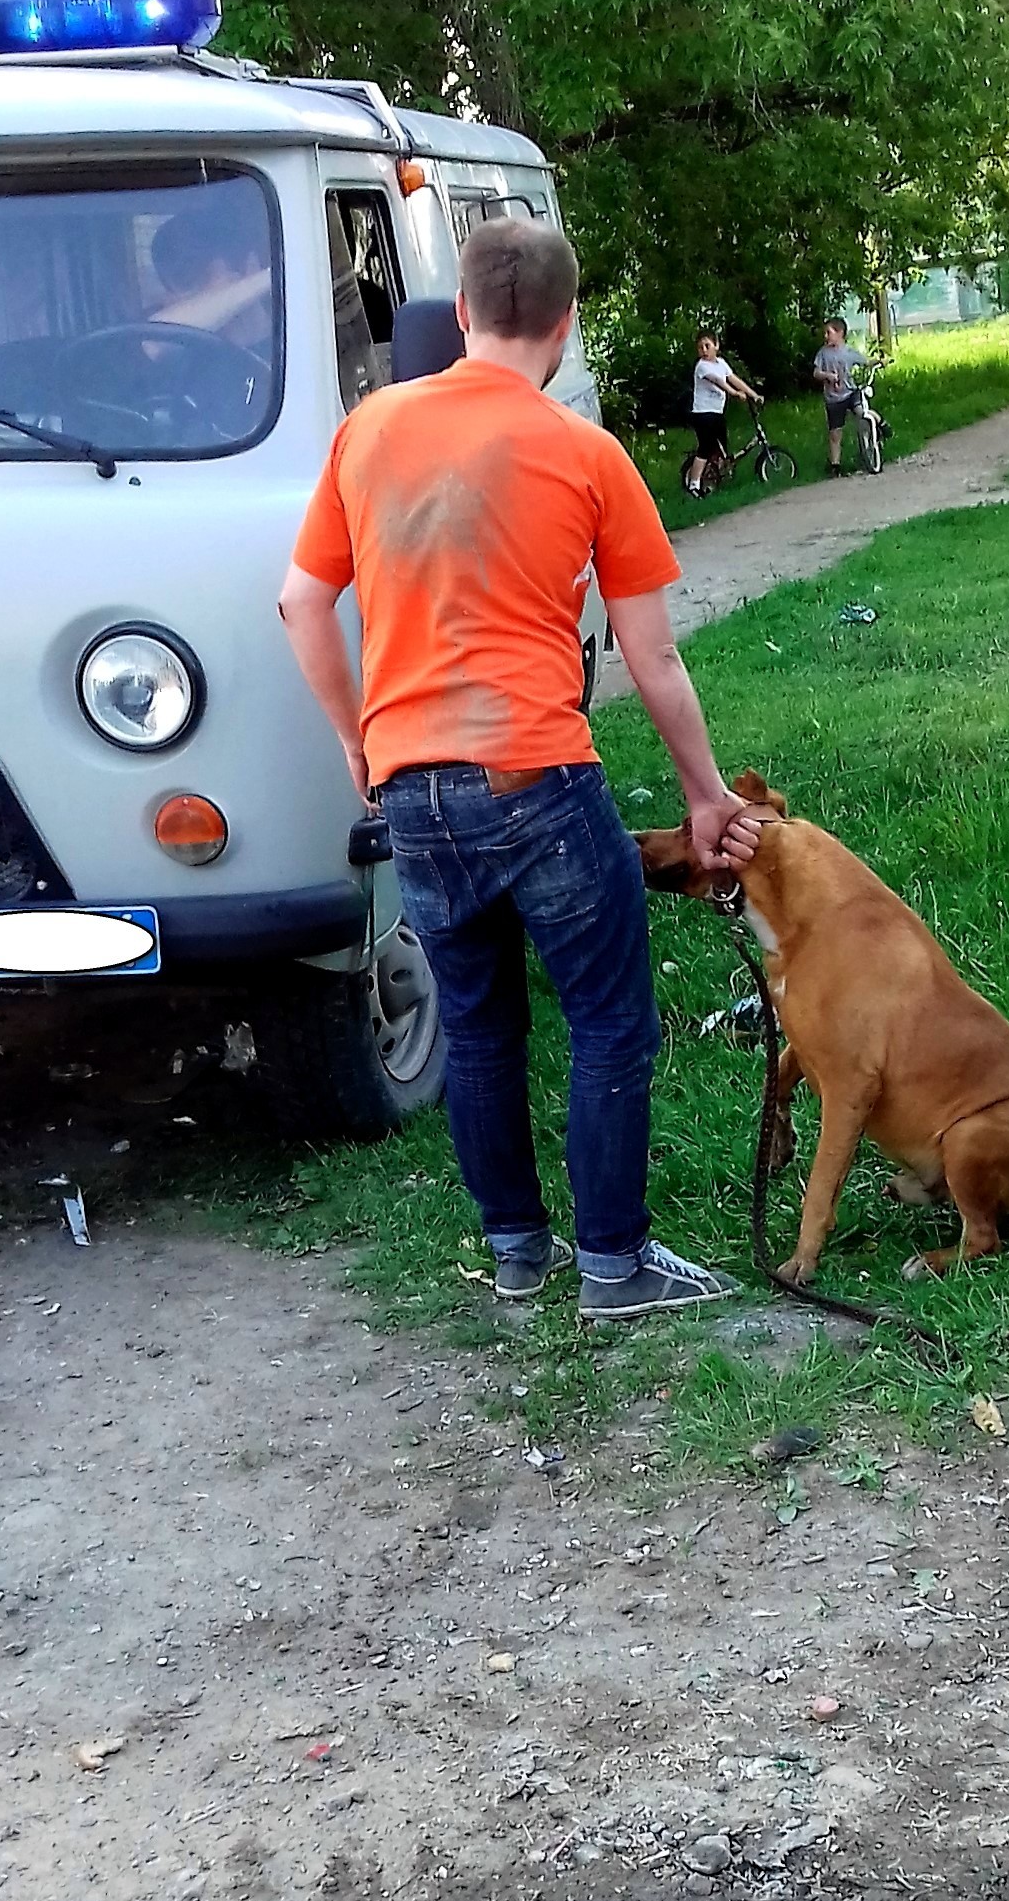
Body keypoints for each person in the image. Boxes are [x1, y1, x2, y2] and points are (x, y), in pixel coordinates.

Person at [279, 220, 762, 1322]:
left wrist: (361, 740)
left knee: (481, 1022)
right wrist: (705, 793)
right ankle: (614, 1263)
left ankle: (514, 1251)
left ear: (460, 317)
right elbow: (652, 654)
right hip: (537, 779)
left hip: (414, 787)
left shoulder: (367, 432)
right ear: (566, 323)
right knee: (608, 1022)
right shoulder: (586, 453)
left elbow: (302, 602)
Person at [149, 196, 273, 349]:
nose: (176, 301)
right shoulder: (180, 356)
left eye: (194, 278)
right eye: (180, 284)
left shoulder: (298, 335)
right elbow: (154, 339)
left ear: (248, 266)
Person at [686, 330, 761, 496]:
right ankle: (694, 485)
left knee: (721, 449)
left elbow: (734, 379)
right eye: (700, 347)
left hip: (717, 413)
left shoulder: (721, 363)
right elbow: (718, 381)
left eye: (707, 346)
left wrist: (753, 395)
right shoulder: (702, 366)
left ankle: (716, 477)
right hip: (703, 413)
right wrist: (734, 393)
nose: (704, 350)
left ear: (716, 346)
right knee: (705, 448)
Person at [814, 316, 864, 476]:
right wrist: (826, 375)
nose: (826, 336)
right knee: (835, 433)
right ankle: (835, 465)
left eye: (829, 333)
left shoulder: (848, 352)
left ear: (840, 333)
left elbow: (865, 362)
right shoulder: (822, 353)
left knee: (861, 411)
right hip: (833, 398)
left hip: (850, 392)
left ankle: (881, 425)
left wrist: (878, 361)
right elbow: (816, 373)